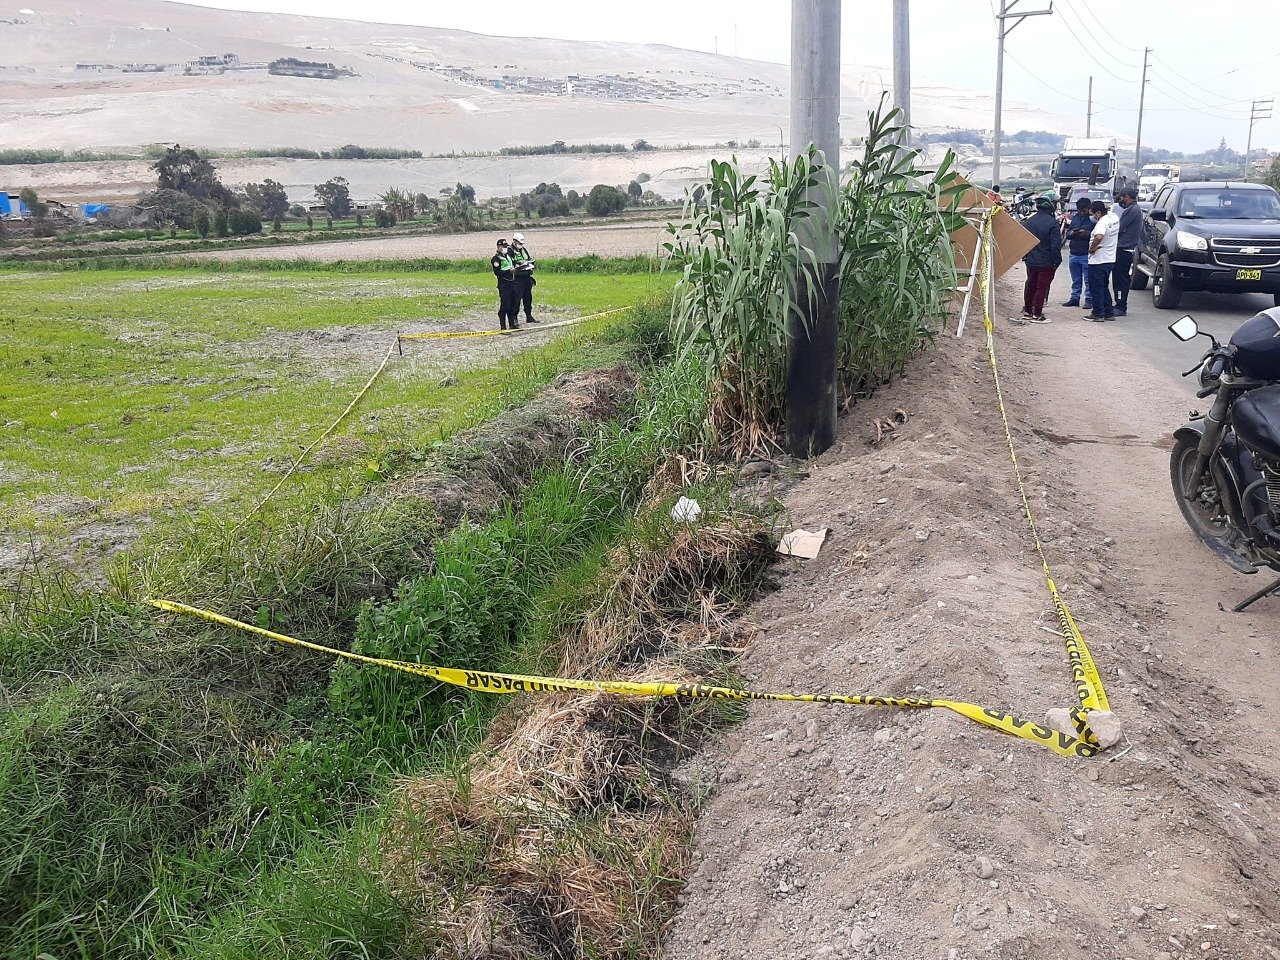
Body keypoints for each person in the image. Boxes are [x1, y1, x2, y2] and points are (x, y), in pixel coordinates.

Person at [1017, 196, 1063, 323]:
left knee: (1031, 285)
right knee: (1041, 288)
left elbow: (1023, 242)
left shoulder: (1028, 222)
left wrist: (1025, 257)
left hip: (1031, 261)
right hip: (1047, 262)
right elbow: (1055, 245)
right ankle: (1037, 314)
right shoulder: (1052, 223)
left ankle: (1027, 311)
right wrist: (1057, 261)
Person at [1086, 200, 1119, 321]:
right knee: (1104, 287)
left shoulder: (1102, 222)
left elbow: (1099, 236)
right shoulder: (1114, 217)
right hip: (1109, 259)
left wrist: (1092, 248)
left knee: (1096, 288)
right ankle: (1109, 313)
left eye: (1093, 214)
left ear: (1098, 213)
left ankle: (1098, 313)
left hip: (1098, 260)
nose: (1093, 217)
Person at [1111, 187, 1141, 317]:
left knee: (1120, 279)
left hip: (1124, 250)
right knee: (1119, 278)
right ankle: (1119, 304)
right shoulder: (1134, 209)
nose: (1120, 200)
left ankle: (1121, 306)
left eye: (1121, 197)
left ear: (1127, 197)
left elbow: (1119, 227)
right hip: (1124, 248)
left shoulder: (1132, 210)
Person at [1060, 197, 1095, 310]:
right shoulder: (1075, 218)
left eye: (1084, 210)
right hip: (1074, 253)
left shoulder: (1093, 220)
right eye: (1080, 210)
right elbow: (1068, 233)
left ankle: (1089, 299)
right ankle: (1075, 298)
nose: (1082, 212)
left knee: (1088, 279)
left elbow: (1096, 236)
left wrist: (1085, 233)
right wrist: (1073, 233)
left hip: (1086, 253)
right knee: (1076, 279)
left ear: (1089, 209)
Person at [509, 232, 539, 324]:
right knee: (516, 299)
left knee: (528, 298)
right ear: (514, 241)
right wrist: (519, 263)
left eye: (522, 243)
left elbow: (528, 258)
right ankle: (514, 318)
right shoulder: (510, 251)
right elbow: (510, 264)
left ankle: (529, 316)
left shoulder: (523, 250)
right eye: (519, 243)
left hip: (527, 277)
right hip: (517, 278)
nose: (521, 245)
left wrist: (529, 262)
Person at [490, 238, 519, 330]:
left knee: (513, 304)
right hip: (504, 284)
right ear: (498, 247)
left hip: (512, 282)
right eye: (503, 246)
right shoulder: (496, 259)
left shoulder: (508, 256)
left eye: (506, 246)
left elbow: (513, 263)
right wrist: (509, 271)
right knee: (505, 305)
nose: (505, 248)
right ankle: (503, 326)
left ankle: (511, 324)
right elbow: (497, 272)